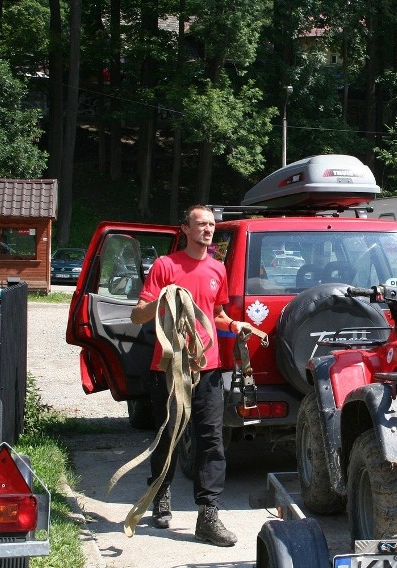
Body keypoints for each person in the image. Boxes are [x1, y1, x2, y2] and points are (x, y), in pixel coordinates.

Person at [130, 205, 245, 547]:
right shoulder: (166, 266)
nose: (208, 230)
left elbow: (218, 313)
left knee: (211, 441)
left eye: (211, 225)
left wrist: (235, 324)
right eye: (201, 224)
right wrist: (164, 299)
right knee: (169, 436)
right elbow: (138, 315)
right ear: (185, 228)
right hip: (169, 370)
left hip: (207, 369)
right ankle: (160, 495)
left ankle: (208, 516)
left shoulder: (217, 268)